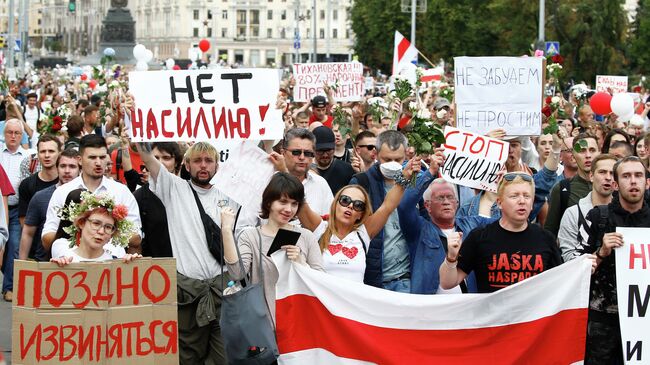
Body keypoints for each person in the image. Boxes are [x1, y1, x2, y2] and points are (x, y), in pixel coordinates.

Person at [138, 141, 254, 364]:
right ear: (187, 165)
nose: (203, 166)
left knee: (225, 356)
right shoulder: (173, 188)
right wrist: (133, 123)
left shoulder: (232, 194)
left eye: (209, 161)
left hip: (225, 290)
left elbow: (259, 168)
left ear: (217, 166)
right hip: (188, 291)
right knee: (188, 357)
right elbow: (146, 156)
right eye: (197, 160)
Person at [221, 172, 324, 325]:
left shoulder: (306, 236)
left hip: (299, 324)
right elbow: (237, 273)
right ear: (269, 202)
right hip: (263, 325)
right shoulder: (251, 236)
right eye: (283, 202)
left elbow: (320, 282)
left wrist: (301, 263)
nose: (289, 209)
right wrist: (226, 230)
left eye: (294, 204)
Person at [297, 158, 420, 282]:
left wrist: (405, 175)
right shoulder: (320, 228)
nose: (350, 206)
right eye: (345, 200)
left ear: (361, 214)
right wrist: (283, 168)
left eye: (358, 205)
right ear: (335, 204)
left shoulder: (363, 233)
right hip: (321, 300)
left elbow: (387, 206)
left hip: (352, 301)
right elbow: (298, 197)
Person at [439, 172, 563, 293]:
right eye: (514, 196)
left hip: (534, 313)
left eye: (527, 196)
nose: (522, 201)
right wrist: (451, 258)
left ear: (532, 204)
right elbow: (447, 283)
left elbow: (561, 284)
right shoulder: (479, 237)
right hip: (492, 313)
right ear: (499, 203)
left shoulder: (546, 239)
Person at [580, 156, 650, 364]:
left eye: (638, 175)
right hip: (604, 320)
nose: (633, 181)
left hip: (644, 318)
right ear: (616, 184)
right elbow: (577, 270)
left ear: (647, 182)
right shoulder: (597, 217)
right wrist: (601, 252)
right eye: (626, 176)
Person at [41, 135, 141, 251]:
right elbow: (46, 239)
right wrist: (79, 229)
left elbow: (136, 238)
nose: (98, 163)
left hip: (111, 264)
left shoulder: (121, 191)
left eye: (102, 157)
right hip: (73, 265)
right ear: (80, 160)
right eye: (92, 157)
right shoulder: (62, 192)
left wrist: (108, 230)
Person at [400, 175, 495, 294]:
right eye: (440, 198)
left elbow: (504, 221)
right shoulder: (419, 230)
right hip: (433, 308)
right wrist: (429, 173)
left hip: (469, 305)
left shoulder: (472, 224)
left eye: (450, 197)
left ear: (457, 203)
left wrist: (502, 184)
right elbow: (404, 206)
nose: (446, 202)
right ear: (427, 206)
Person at [349, 130, 415, 292]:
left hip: (405, 277)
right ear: (376, 154)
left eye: (398, 159)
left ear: (406, 155)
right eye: (387, 159)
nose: (392, 163)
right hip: (372, 277)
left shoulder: (414, 182)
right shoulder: (361, 182)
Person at [20, 149, 80, 261]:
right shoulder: (40, 197)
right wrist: (21, 265)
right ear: (57, 168)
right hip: (44, 261)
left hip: (76, 260)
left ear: (80, 170)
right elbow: (28, 233)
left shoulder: (86, 197)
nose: (67, 171)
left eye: (72, 166)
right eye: (63, 166)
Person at [49, 191, 140, 264]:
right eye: (96, 223)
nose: (101, 231)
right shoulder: (65, 260)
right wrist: (54, 268)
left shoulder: (117, 262)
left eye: (108, 227)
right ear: (81, 223)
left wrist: (132, 266)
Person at [558, 154, 616, 262]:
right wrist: (601, 253)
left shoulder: (624, 213)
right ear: (591, 176)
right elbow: (569, 260)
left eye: (612, 173)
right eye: (602, 172)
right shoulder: (572, 213)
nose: (608, 177)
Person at [545, 133, 600, 236]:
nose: (588, 155)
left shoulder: (611, 188)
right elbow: (550, 231)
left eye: (592, 150)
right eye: (582, 151)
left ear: (599, 153)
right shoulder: (562, 188)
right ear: (573, 155)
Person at [134, 142, 183, 258]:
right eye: (155, 158)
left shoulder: (188, 191)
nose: (159, 163)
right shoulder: (139, 197)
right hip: (155, 267)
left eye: (166, 158)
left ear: (176, 162)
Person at [0, 118, 29, 302]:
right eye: (9, 132)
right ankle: (7, 275)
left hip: (16, 208)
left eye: (17, 133)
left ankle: (9, 287)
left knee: (15, 245)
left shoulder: (27, 156)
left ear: (21, 136)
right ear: (4, 134)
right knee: (3, 246)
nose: (13, 136)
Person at [280, 128, 333, 215]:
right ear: (283, 153)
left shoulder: (321, 184)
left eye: (308, 153)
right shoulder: (269, 180)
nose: (302, 157)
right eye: (296, 152)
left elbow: (328, 222)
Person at [18, 134, 62, 226]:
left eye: (51, 151)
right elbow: (24, 220)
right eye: (42, 151)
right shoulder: (26, 184)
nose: (47, 155)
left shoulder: (67, 182)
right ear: (37, 154)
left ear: (59, 153)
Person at [311, 126, 355, 195]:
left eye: (329, 150)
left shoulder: (347, 170)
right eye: (320, 151)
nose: (325, 155)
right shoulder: (305, 171)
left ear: (334, 148)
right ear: (313, 149)